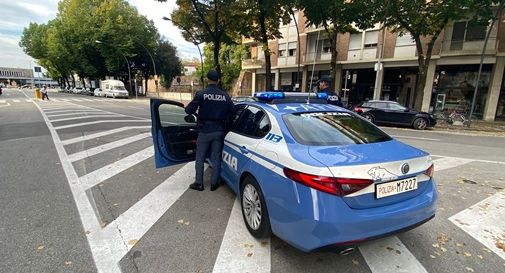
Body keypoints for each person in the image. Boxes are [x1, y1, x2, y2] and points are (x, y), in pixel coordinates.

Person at [185, 70, 235, 191]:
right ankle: (214, 184)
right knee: (216, 157)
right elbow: (233, 113)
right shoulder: (225, 96)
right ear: (218, 80)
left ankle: (199, 183)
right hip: (219, 131)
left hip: (204, 131)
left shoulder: (201, 94)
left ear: (208, 79)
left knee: (200, 157)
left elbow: (188, 110)